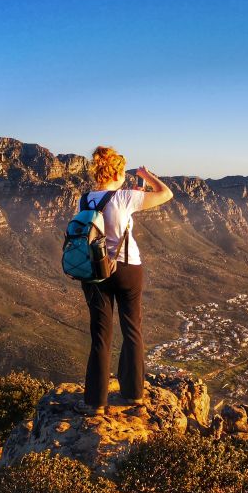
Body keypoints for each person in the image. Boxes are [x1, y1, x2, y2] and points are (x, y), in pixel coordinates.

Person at [74, 145, 173, 415]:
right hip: (128, 269)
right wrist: (147, 176)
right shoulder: (125, 197)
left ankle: (95, 402)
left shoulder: (85, 200)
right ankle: (133, 395)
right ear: (118, 172)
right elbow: (166, 194)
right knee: (132, 329)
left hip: (94, 272)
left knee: (100, 335)